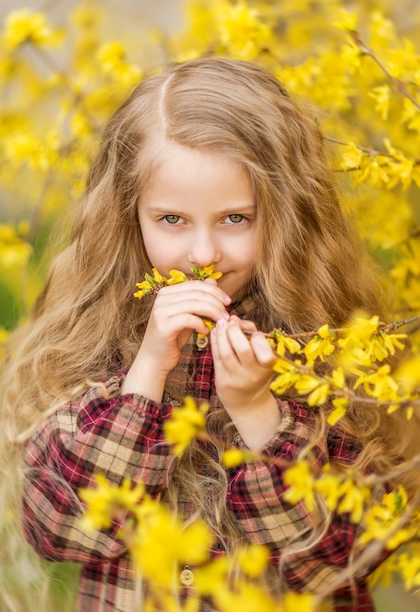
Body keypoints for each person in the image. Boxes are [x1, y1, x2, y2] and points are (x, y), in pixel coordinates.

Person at [0, 57, 415, 612]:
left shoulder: (329, 342)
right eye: (171, 220)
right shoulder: (97, 333)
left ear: (287, 213)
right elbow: (59, 529)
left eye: (235, 219)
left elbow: (338, 559)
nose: (203, 255)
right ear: (130, 216)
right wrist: (145, 374)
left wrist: (257, 410)